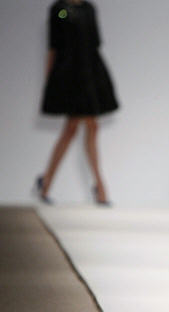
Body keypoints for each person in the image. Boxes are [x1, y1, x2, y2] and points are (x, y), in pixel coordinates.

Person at [37, 0, 118, 204]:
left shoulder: (89, 8)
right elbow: (54, 46)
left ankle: (47, 183)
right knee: (78, 127)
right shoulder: (59, 10)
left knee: (79, 128)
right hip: (70, 75)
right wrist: (50, 82)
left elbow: (95, 43)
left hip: (90, 72)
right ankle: (100, 187)